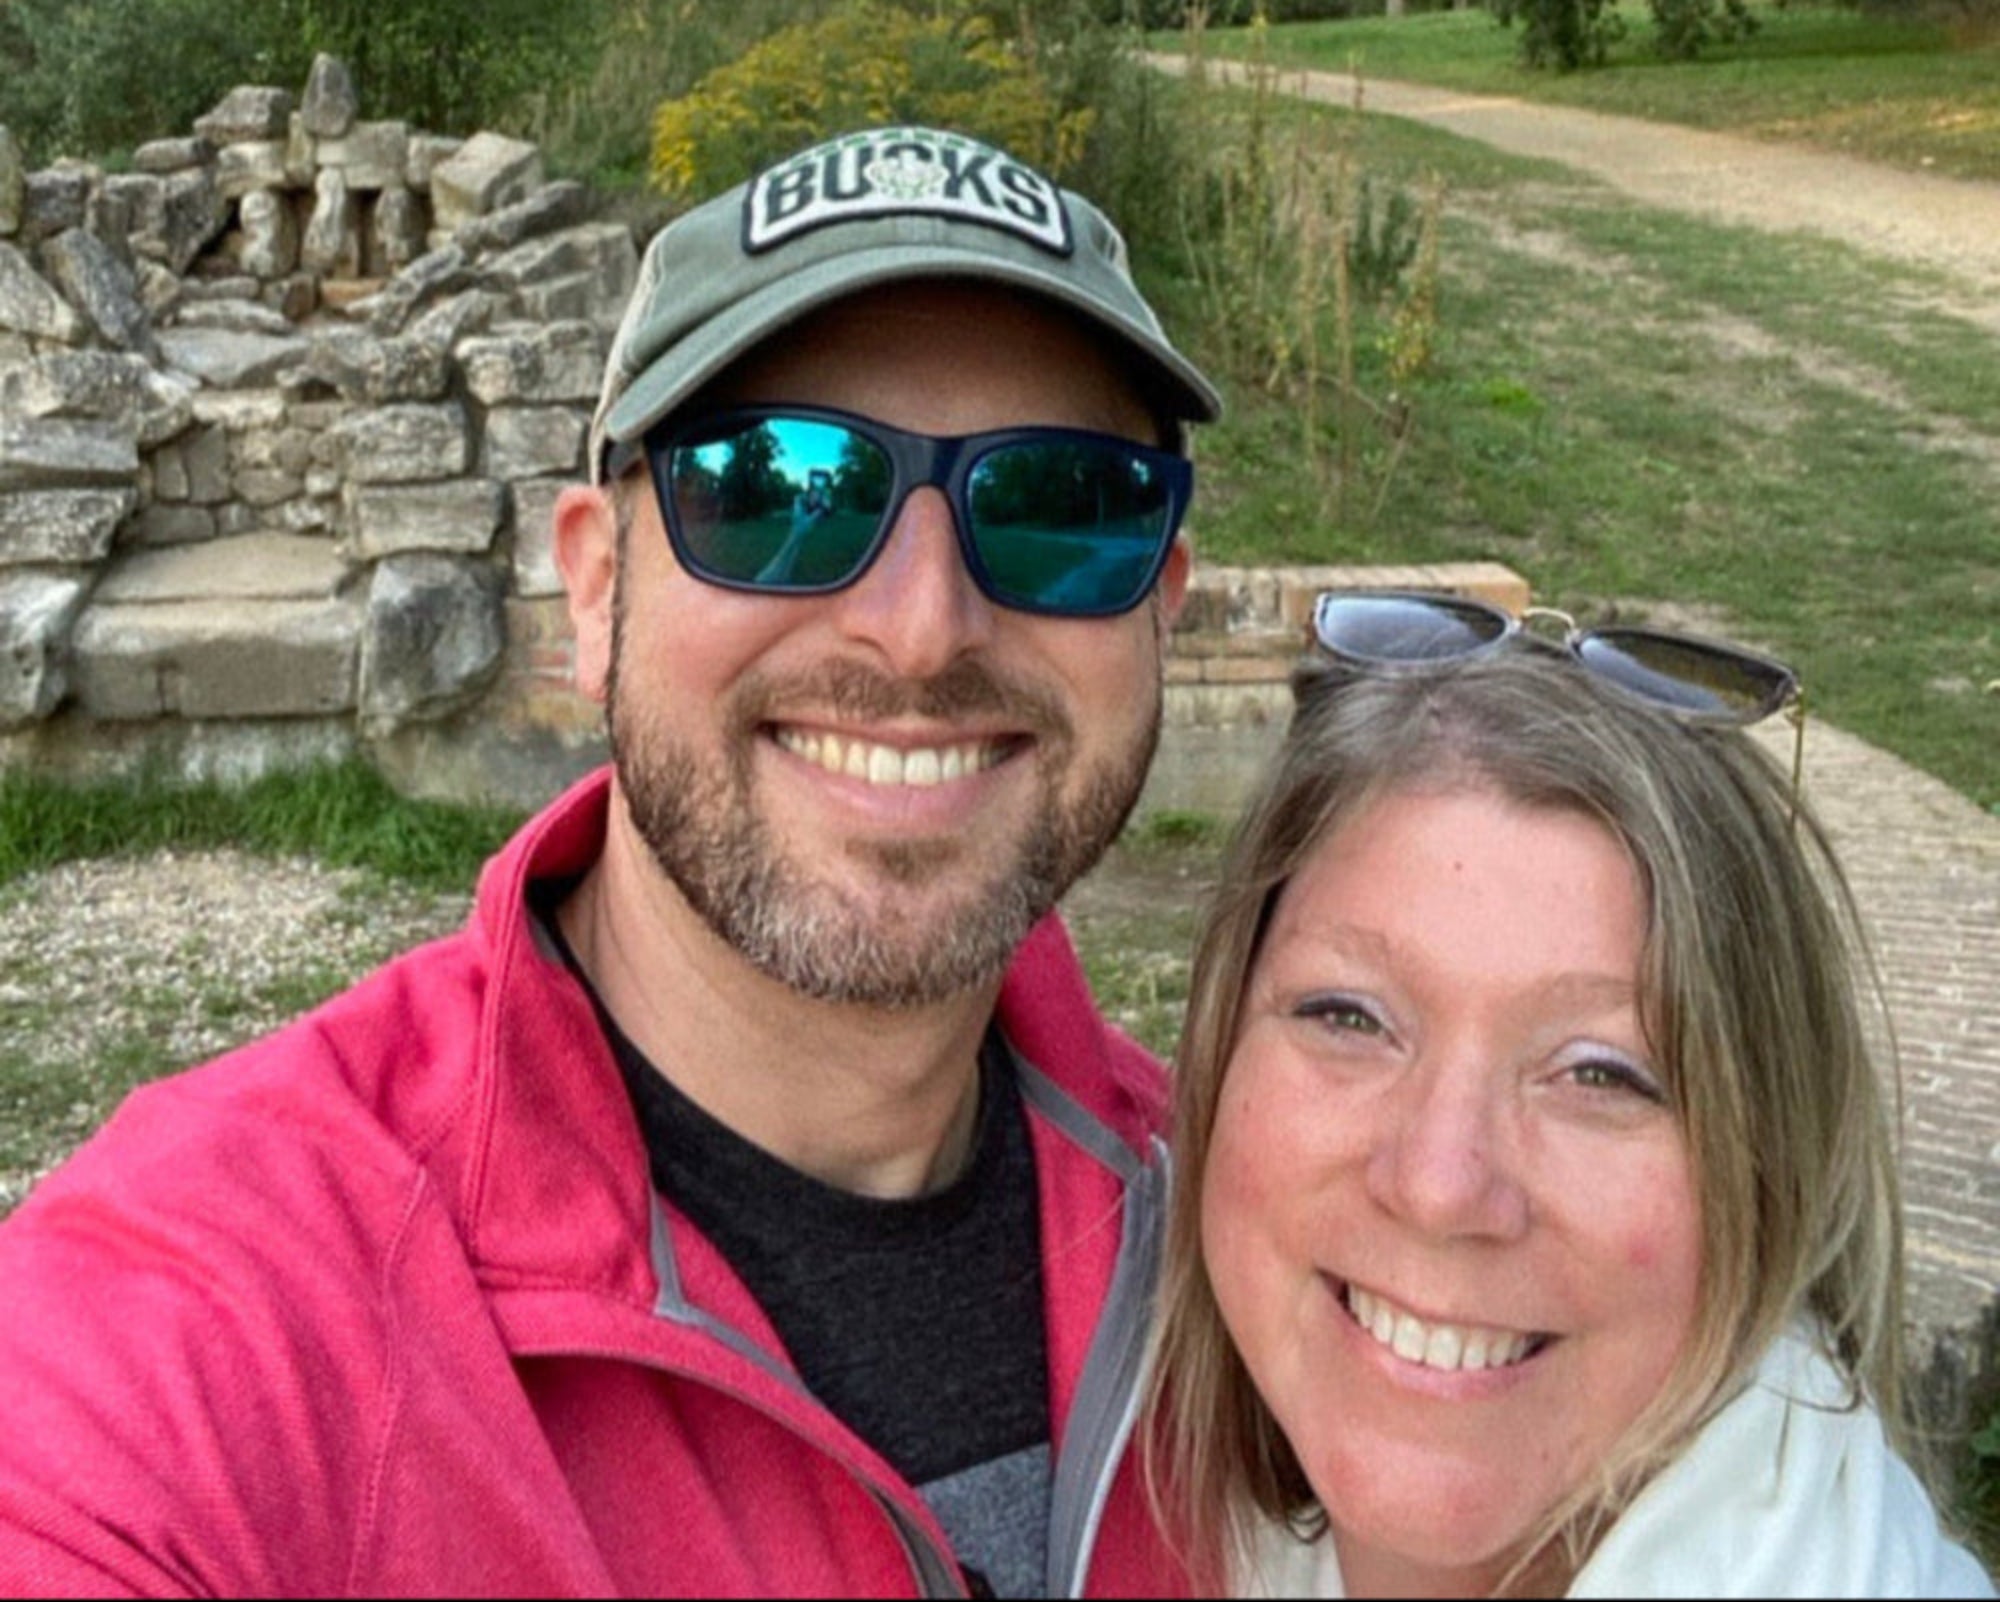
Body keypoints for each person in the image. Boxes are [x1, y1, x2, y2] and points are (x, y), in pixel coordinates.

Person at [0, 125, 1221, 1597]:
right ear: (593, 589)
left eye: (1056, 507)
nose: (919, 631)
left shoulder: (1261, 1241)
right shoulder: (216, 1302)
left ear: (1160, 609)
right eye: (780, 492)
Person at [1146, 591, 1996, 1599]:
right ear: (1217, 1052)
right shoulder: (1120, 1517)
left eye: (1599, 1073)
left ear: (1769, 1174)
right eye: (1349, 1017)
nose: (1439, 1186)